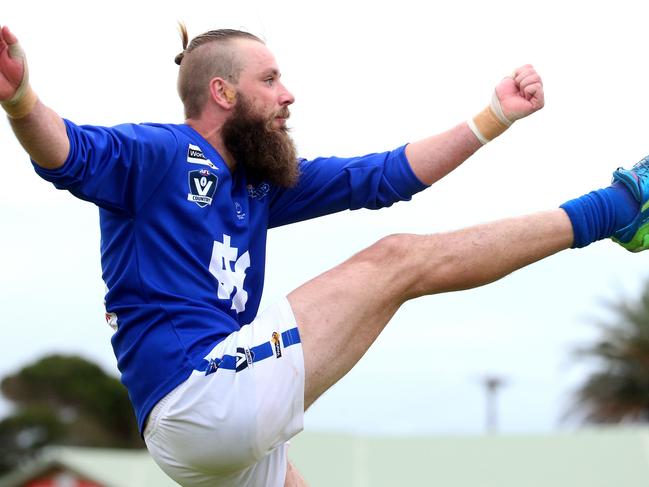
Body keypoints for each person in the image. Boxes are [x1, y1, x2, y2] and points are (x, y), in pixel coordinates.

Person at [1, 22, 647, 487]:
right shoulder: (160, 153)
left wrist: (491, 116)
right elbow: (64, 150)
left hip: (195, 434)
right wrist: (20, 97)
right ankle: (617, 209)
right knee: (396, 260)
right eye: (271, 78)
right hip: (201, 392)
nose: (288, 95)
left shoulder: (257, 182)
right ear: (223, 93)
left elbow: (384, 177)